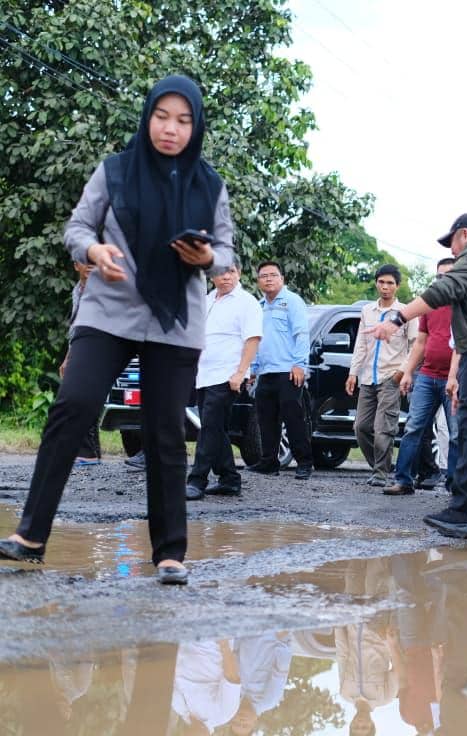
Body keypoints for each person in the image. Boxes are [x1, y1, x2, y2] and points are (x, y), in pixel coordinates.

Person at [0, 75, 233, 584]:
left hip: (174, 323)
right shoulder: (114, 172)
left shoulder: (209, 185)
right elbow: (78, 228)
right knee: (72, 406)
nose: (171, 129)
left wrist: (210, 256)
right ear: (148, 116)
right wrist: (94, 250)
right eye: (162, 116)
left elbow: (226, 254)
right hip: (107, 309)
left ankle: (170, 554)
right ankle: (30, 535)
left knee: (165, 433)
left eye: (184, 120)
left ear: (195, 127)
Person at [367, 213, 467, 541]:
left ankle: (465, 509)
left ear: (465, 234)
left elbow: (448, 287)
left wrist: (397, 318)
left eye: (453, 244)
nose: (453, 253)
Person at [186, 256, 262, 500]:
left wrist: (241, 372)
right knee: (215, 427)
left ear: (238, 272)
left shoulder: (246, 302)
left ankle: (197, 480)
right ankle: (230, 479)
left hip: (227, 375)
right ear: (211, 275)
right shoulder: (208, 300)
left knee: (208, 427)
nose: (226, 276)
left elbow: (252, 339)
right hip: (204, 375)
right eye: (220, 272)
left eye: (231, 271)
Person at [384, 258, 459, 496]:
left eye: (449, 276)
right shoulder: (430, 305)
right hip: (427, 375)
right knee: (413, 428)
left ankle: (454, 485)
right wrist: (408, 372)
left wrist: (454, 377)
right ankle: (403, 480)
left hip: (455, 378)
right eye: (439, 277)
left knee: (457, 433)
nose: (443, 281)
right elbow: (421, 342)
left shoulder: (466, 305)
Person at [346, 264, 418, 485]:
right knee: (361, 427)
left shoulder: (406, 313)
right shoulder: (367, 310)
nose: (385, 287)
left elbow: (415, 345)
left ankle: (380, 473)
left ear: (397, 286)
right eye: (382, 282)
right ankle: (380, 466)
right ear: (376, 283)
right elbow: (361, 344)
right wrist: (353, 373)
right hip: (368, 377)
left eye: (390, 283)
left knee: (383, 428)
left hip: (391, 376)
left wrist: (402, 371)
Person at [248, 260, 313, 480]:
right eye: (264, 276)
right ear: (258, 281)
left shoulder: (293, 301)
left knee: (293, 418)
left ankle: (304, 462)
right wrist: (253, 368)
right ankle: (269, 462)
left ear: (282, 279)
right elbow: (256, 340)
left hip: (288, 371)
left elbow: (301, 335)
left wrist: (299, 364)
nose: (268, 279)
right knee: (266, 419)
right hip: (265, 372)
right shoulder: (258, 306)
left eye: (273, 275)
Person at [62, 261, 102, 467]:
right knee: (81, 397)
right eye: (84, 262)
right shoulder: (77, 290)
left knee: (82, 397)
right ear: (76, 265)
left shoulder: (102, 289)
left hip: (96, 347)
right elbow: (75, 326)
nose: (89, 266)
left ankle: (88, 453)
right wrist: (68, 356)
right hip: (79, 346)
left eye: (93, 262)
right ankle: (90, 452)